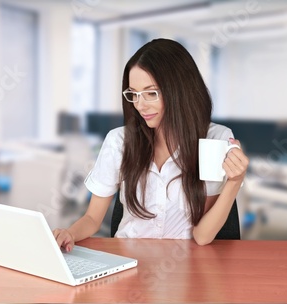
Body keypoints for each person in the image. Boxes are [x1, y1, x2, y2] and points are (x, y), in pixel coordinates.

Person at [53, 38, 249, 249]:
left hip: (183, 267)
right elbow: (92, 219)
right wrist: (69, 233)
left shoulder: (214, 140)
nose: (139, 105)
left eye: (151, 93)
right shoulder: (119, 141)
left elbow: (202, 236)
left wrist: (234, 182)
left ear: (179, 90)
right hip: (127, 262)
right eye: (133, 94)